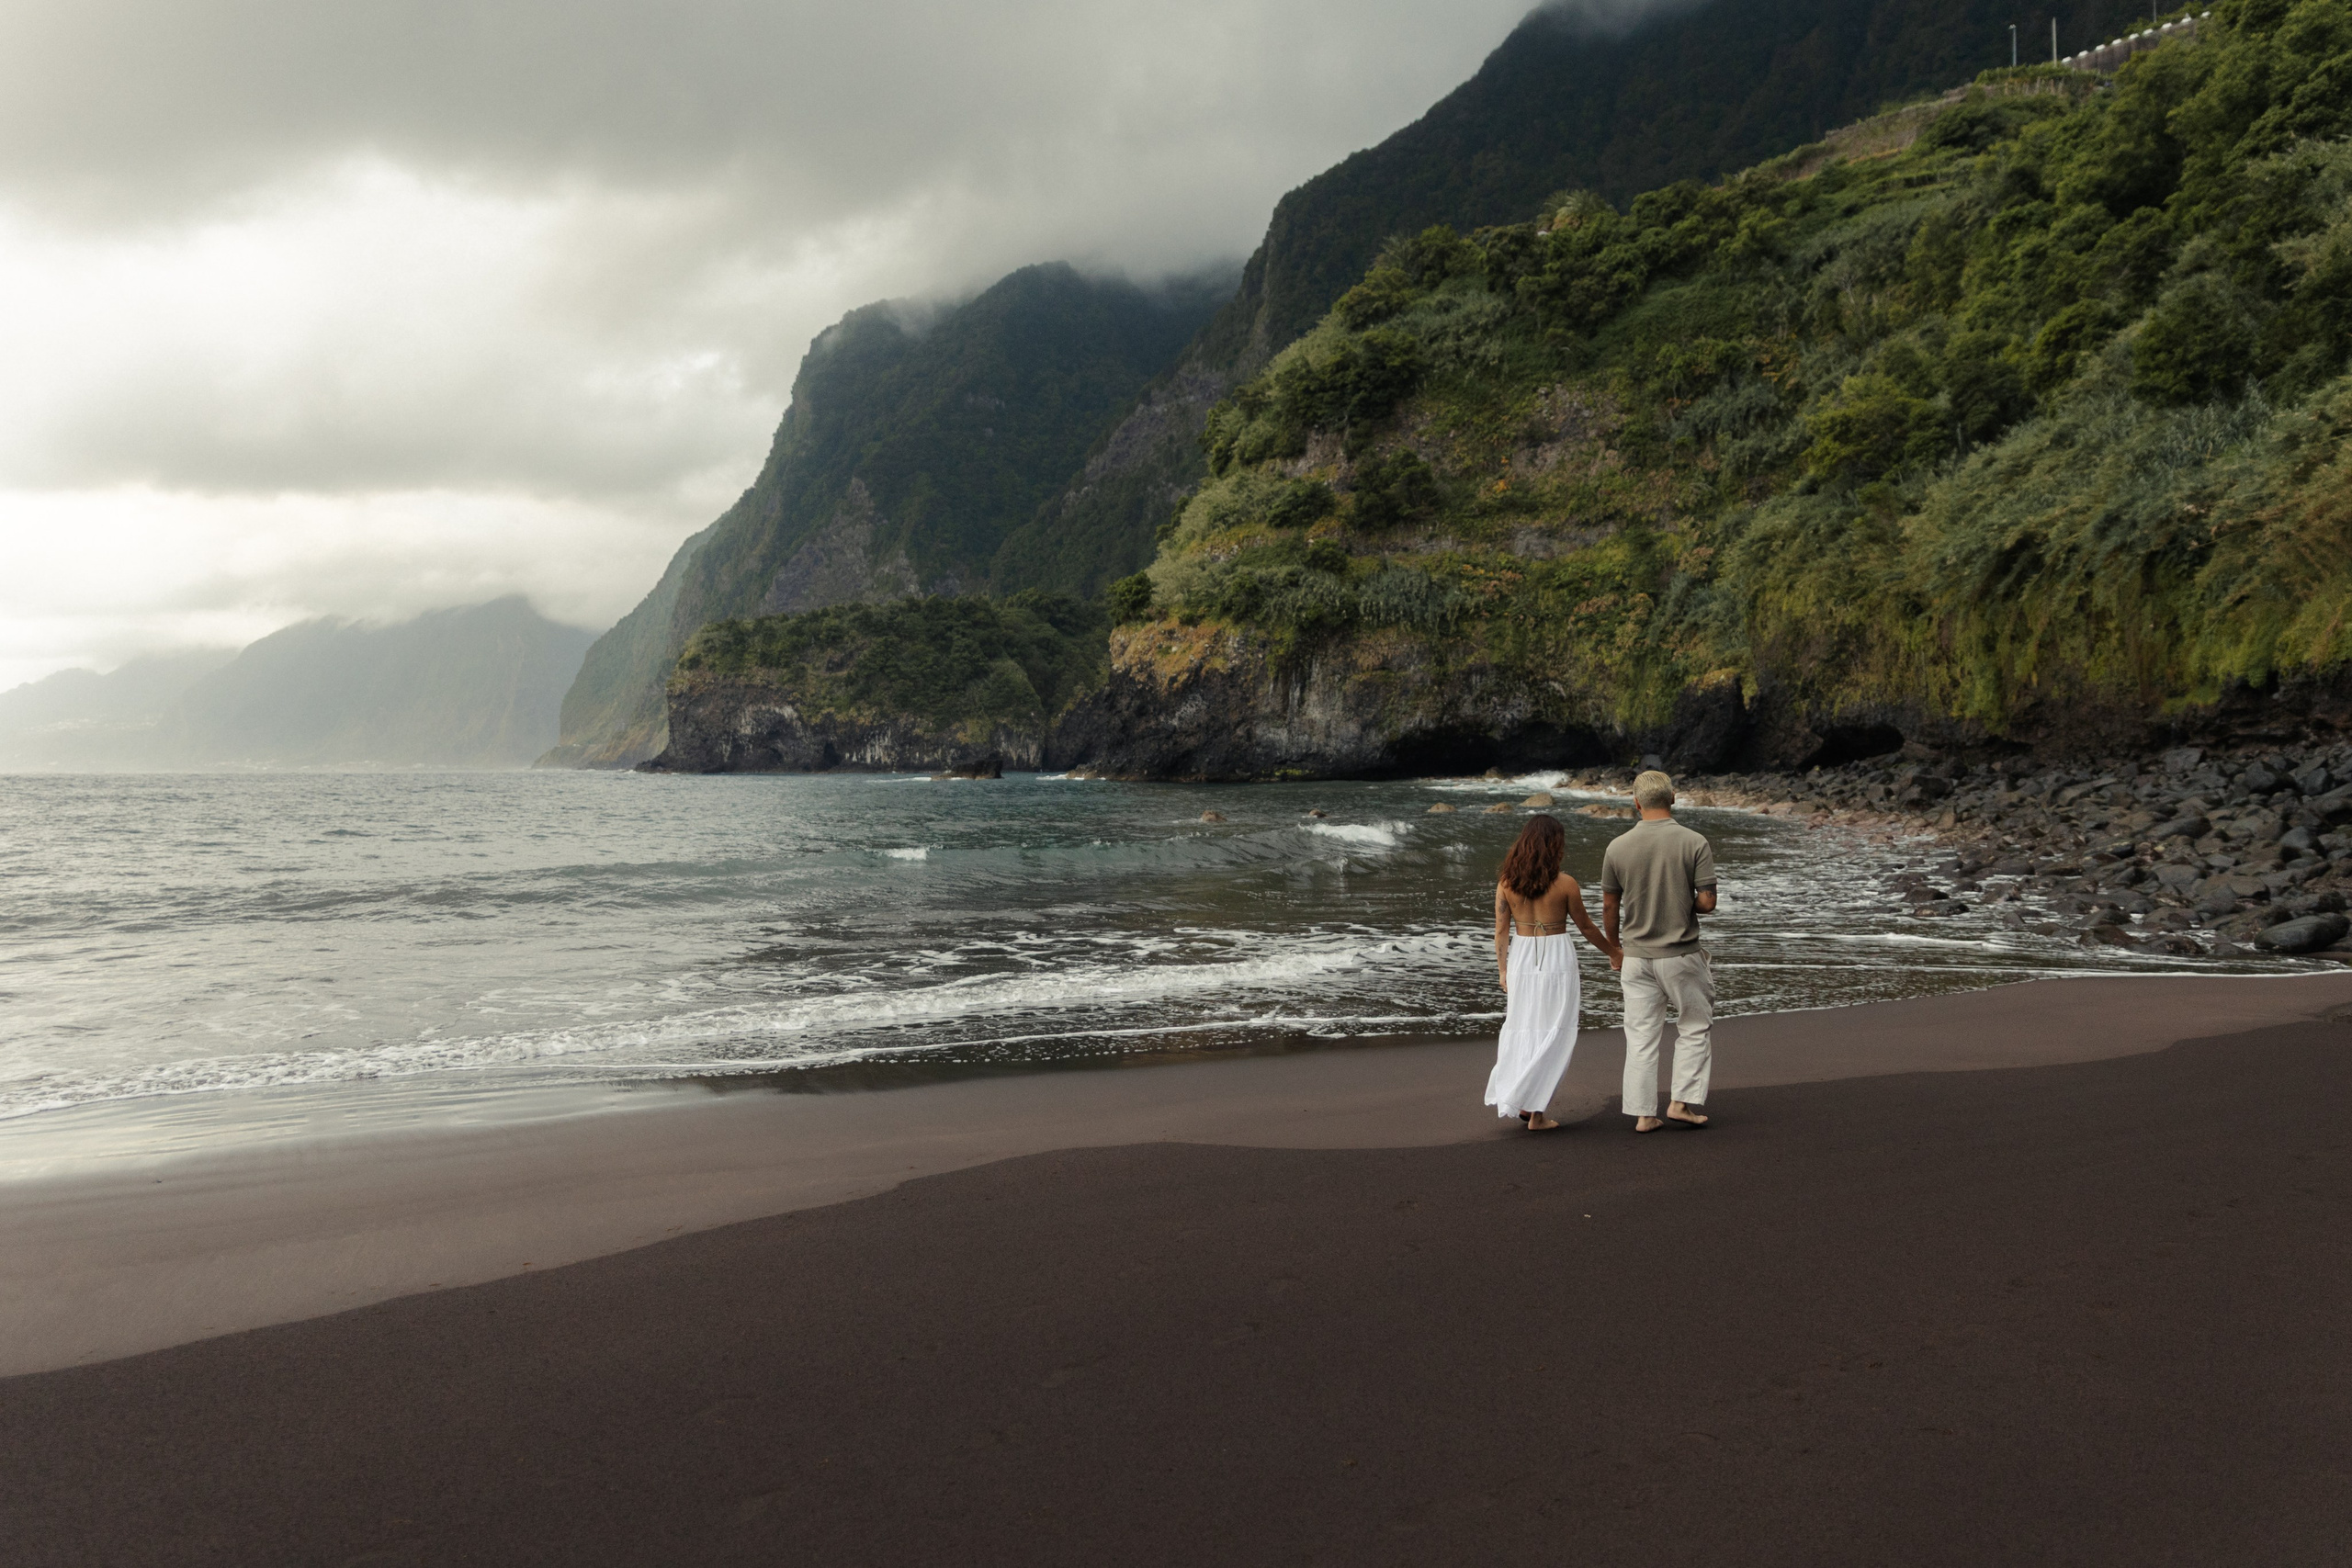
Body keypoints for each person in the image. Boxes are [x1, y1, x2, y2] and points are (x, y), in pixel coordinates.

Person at [1600, 770, 1718, 1133]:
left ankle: (1643, 1114)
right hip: (1681, 954)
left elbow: (1609, 908)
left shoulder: (1617, 847)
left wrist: (1614, 949)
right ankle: (1681, 1103)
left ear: (1635, 803)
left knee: (1640, 1036)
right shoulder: (1694, 841)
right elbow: (1708, 902)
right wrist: (1683, 902)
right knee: (1694, 1027)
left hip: (1635, 957)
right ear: (1674, 798)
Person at [1487, 813, 1619, 1132]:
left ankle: (1525, 1101)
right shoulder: (1565, 883)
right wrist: (1614, 952)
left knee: (1524, 1027)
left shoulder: (1506, 882)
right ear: (1554, 845)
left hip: (1522, 956)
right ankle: (1537, 1113)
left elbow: (1501, 932)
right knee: (1555, 1031)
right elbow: (1585, 927)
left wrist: (1503, 971)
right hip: (1557, 956)